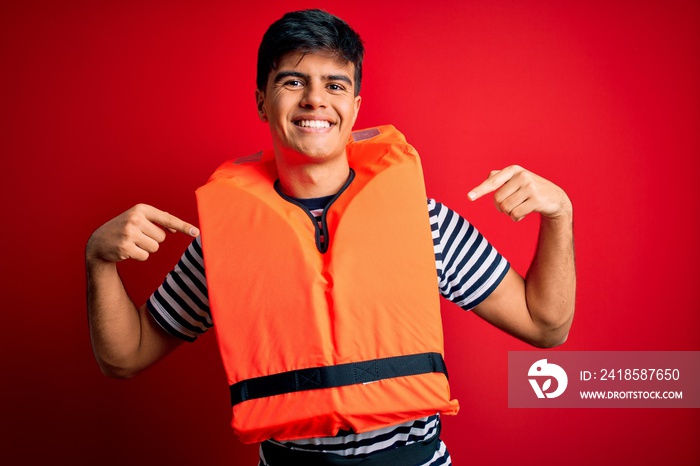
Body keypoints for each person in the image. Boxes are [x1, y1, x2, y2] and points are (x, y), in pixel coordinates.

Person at [86, 9, 575, 465]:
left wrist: (559, 216)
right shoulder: (221, 243)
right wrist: (98, 261)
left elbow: (544, 325)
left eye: (334, 84)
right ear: (262, 100)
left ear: (355, 107)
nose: (315, 99)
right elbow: (125, 358)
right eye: (293, 82)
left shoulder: (425, 223)